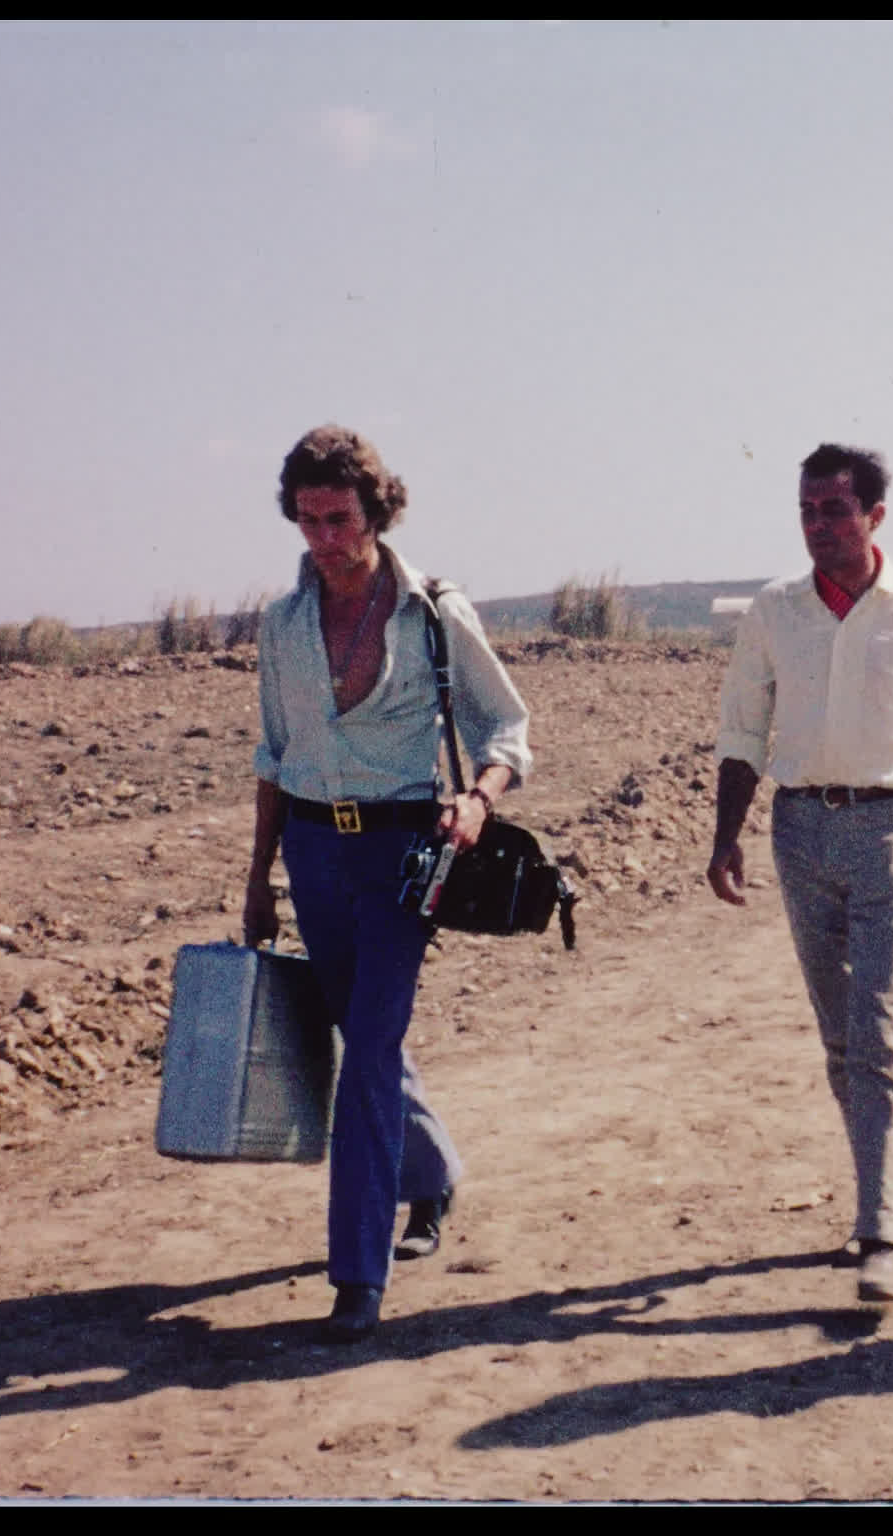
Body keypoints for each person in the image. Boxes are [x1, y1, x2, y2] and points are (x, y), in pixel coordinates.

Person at [243, 425, 532, 1342]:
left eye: (341, 518)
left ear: (378, 512)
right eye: (309, 520)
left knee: (366, 1050)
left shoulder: (434, 612)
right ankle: (434, 1171)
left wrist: (479, 798)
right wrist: (257, 877)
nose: (326, 538)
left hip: (407, 856)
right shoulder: (282, 625)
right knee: (360, 1031)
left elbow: (508, 730)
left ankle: (356, 1276)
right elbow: (274, 757)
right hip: (314, 852)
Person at [708, 443, 893, 1305]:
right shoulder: (774, 612)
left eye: (836, 509)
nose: (820, 525)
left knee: (881, 1025)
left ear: (875, 516)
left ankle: (880, 1231)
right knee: (841, 1034)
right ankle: (874, 1190)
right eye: (807, 510)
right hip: (801, 831)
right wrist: (725, 836)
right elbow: (743, 731)